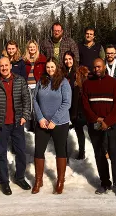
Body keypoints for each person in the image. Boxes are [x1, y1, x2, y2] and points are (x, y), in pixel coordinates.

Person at [0, 57, 31, 195]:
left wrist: (25, 115)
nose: (4, 68)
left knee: (21, 152)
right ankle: (4, 181)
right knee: (1, 153)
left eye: (6, 65)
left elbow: (26, 99)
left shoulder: (19, 80)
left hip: (17, 123)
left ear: (10, 66)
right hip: (0, 124)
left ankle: (20, 177)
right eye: (1, 66)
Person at [82, 58, 116, 198]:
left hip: (111, 125)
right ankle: (105, 182)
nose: (97, 69)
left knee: (115, 154)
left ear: (104, 67)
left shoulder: (114, 83)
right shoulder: (87, 84)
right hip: (94, 124)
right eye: (95, 67)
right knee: (99, 154)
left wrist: (108, 121)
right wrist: (96, 119)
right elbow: (85, 105)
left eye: (99, 67)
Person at [32, 58, 72, 194]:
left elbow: (67, 103)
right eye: (48, 67)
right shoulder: (41, 81)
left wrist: (54, 120)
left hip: (59, 123)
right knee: (38, 151)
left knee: (60, 150)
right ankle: (38, 179)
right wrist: (40, 118)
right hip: (42, 123)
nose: (50, 69)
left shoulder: (63, 82)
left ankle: (60, 180)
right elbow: (35, 100)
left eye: (52, 67)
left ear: (57, 67)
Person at [62, 51, 88, 160]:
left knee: (79, 129)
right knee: (63, 131)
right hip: (65, 105)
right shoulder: (62, 73)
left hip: (77, 105)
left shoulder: (79, 72)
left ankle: (82, 151)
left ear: (73, 59)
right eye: (66, 59)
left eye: (70, 59)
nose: (68, 61)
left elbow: (84, 89)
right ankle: (64, 154)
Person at [23, 40, 47, 131]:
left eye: (34, 47)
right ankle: (29, 126)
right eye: (30, 47)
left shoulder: (42, 59)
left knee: (38, 105)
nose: (32, 48)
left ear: (37, 48)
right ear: (27, 49)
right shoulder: (24, 59)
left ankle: (37, 124)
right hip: (27, 86)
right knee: (29, 106)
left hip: (38, 85)